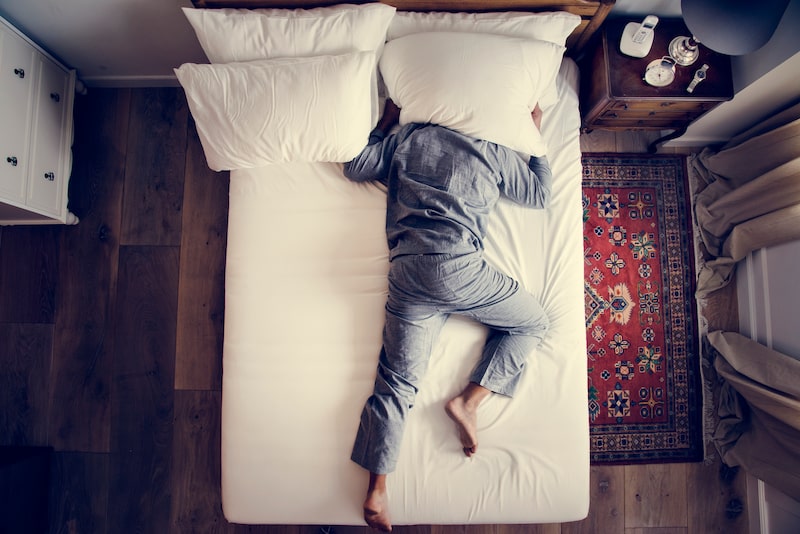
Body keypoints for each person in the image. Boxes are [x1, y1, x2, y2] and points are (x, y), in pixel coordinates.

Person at [343, 99, 552, 532]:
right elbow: (539, 194)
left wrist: (385, 121)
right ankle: (468, 401)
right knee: (532, 322)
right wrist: (536, 139)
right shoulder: (491, 148)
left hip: (408, 272)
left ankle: (378, 487)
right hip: (457, 267)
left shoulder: (408, 137)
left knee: (396, 382)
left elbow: (356, 166)